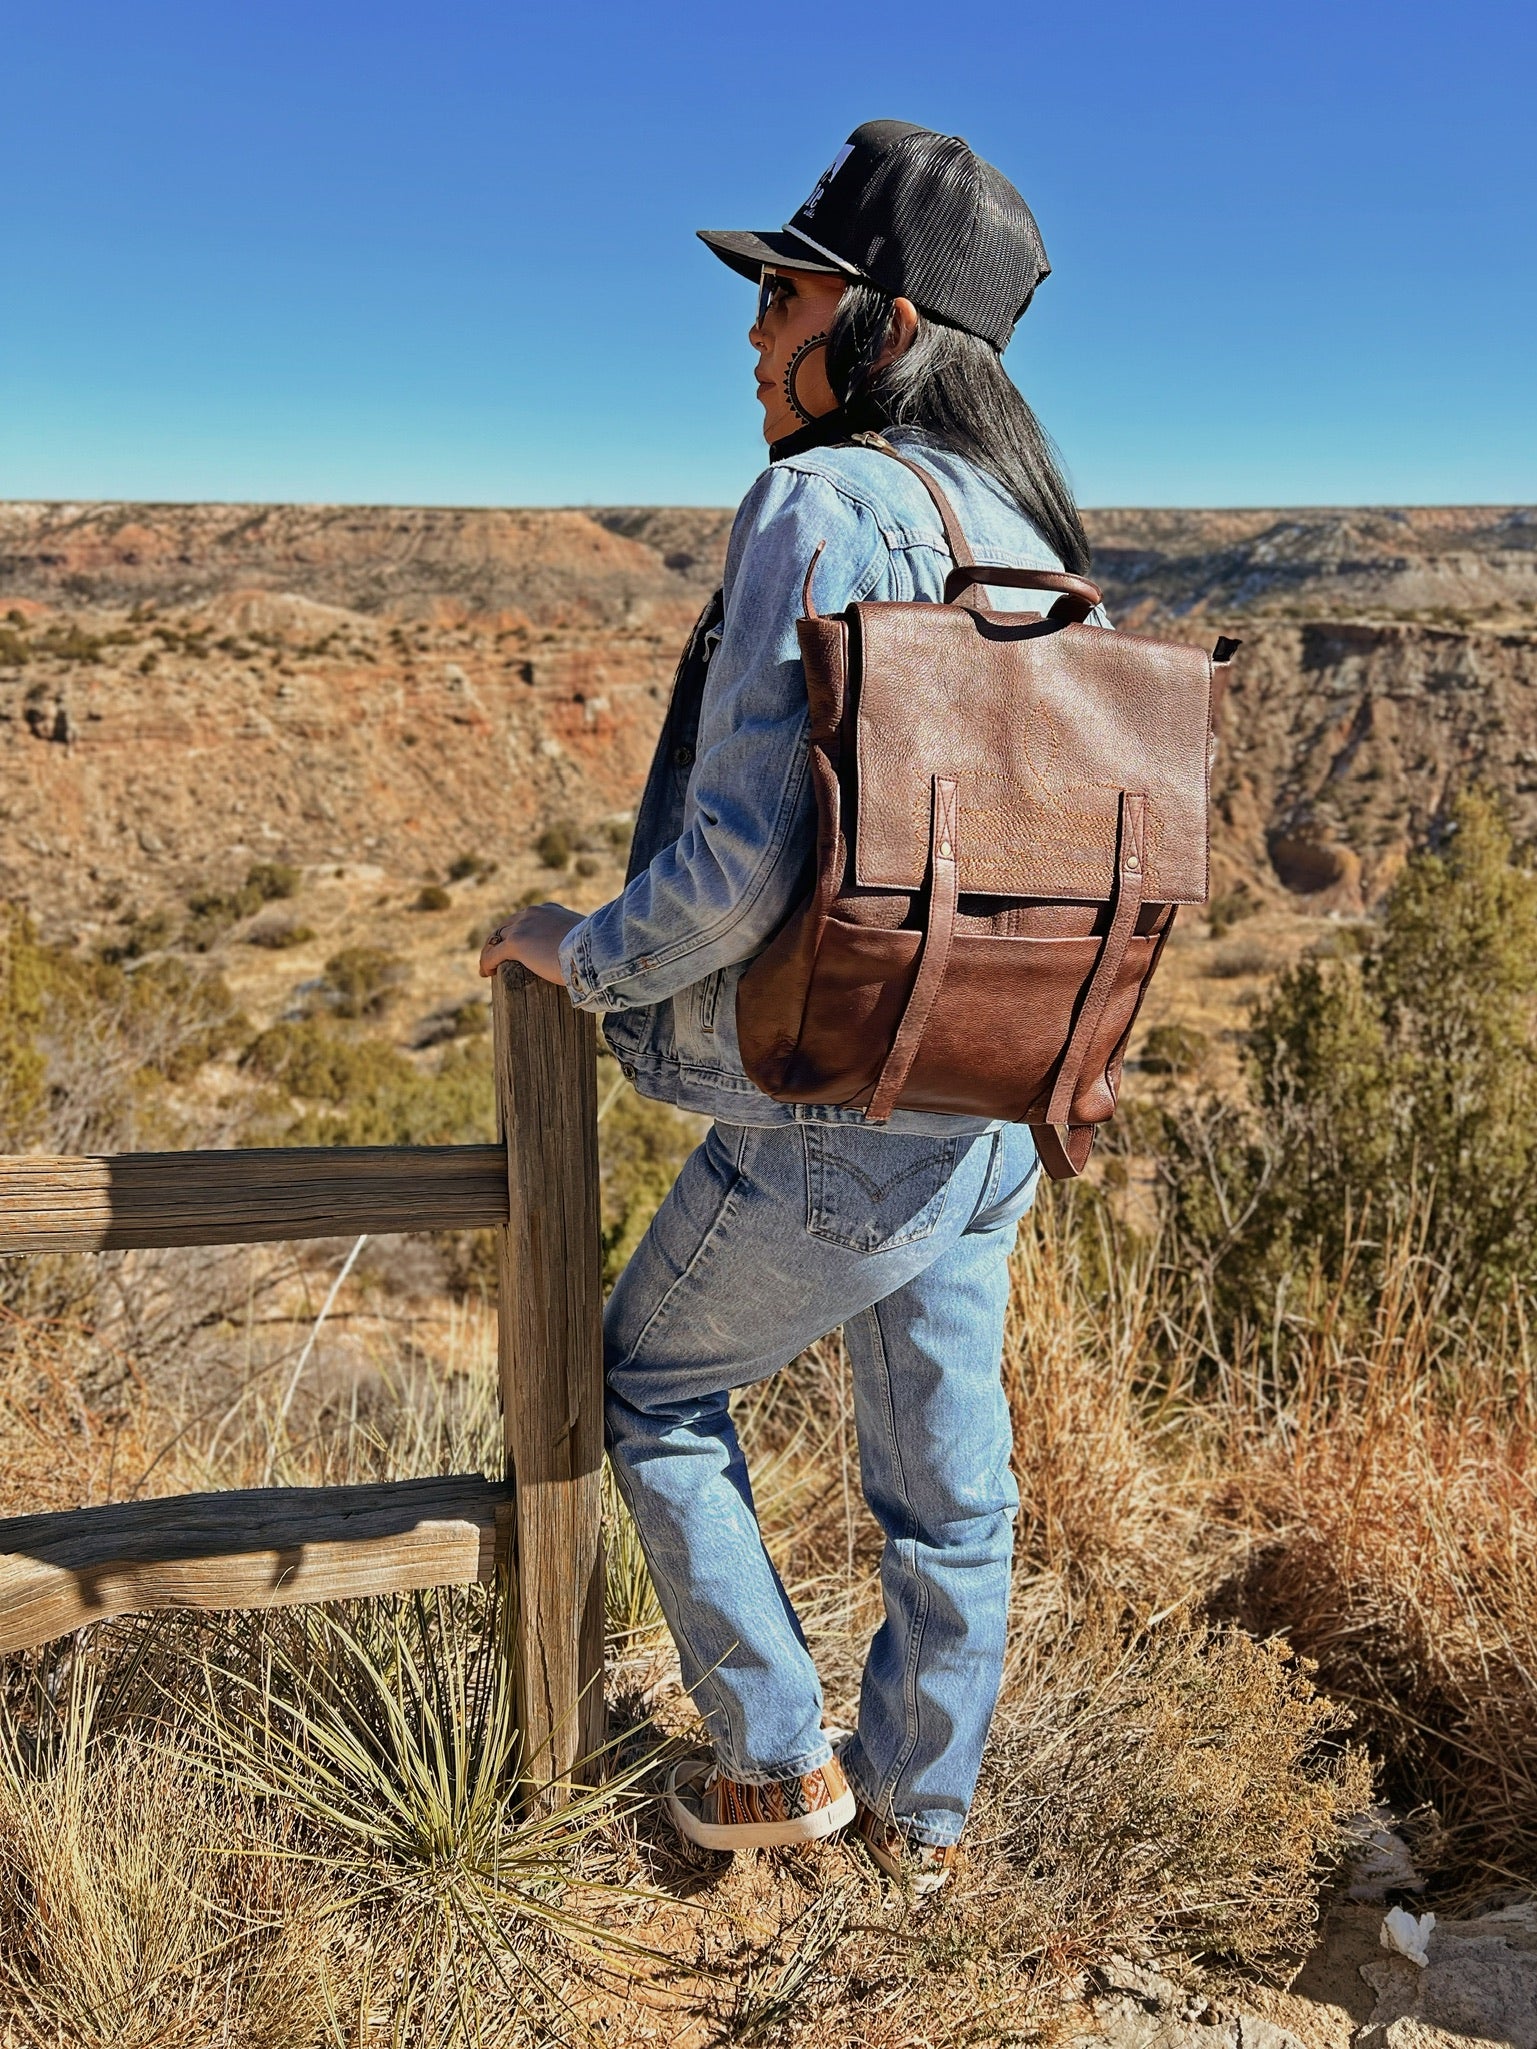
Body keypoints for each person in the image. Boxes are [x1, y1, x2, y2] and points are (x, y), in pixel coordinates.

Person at [480, 120, 1100, 1894]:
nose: (752, 331)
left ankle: (767, 1765)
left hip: (836, 1105)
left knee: (638, 1392)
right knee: (945, 1496)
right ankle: (923, 1821)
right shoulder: (1033, 535)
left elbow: (744, 864)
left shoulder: (822, 504)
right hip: (990, 1099)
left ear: (879, 325)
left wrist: (574, 949)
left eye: (781, 292)